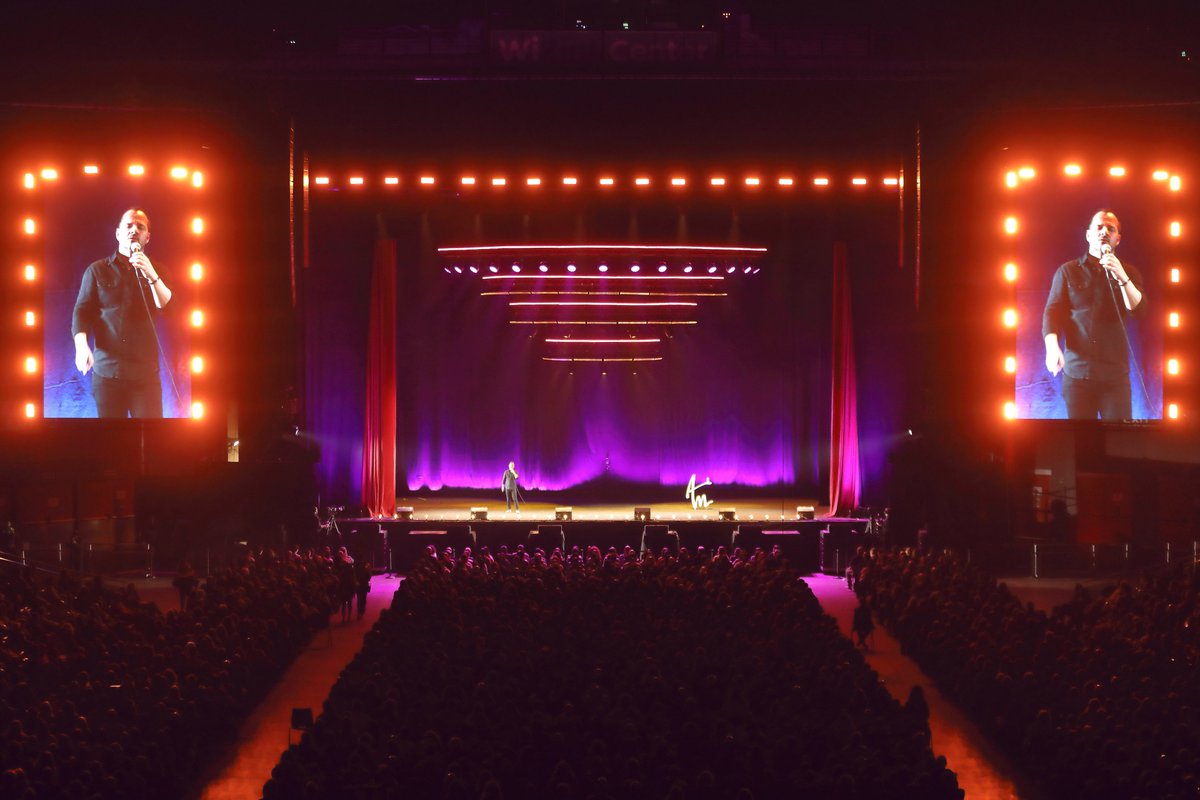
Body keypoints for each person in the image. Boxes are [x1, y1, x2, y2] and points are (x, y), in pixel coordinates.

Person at [1042, 209, 1145, 420]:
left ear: (1118, 239)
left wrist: (1122, 276)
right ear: (1088, 235)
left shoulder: (1129, 272)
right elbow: (1053, 312)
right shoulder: (1068, 271)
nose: (1104, 231)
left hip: (1114, 377)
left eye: (1110, 228)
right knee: (1083, 444)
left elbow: (1139, 310)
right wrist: (1052, 347)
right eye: (1098, 227)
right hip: (1078, 374)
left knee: (1118, 442)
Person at [71, 208, 173, 418]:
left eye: (140, 227)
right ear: (118, 233)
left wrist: (151, 274)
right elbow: (82, 312)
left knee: (151, 441)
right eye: (128, 225)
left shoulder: (158, 270)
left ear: (147, 237)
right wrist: (81, 346)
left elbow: (169, 309)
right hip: (107, 374)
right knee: (111, 444)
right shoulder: (97, 270)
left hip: (145, 376)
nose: (134, 229)